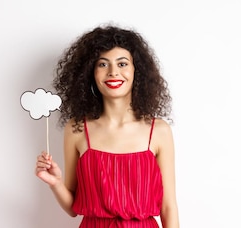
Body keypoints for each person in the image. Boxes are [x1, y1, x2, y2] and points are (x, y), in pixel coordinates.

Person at [35, 23, 180, 228]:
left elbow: (169, 208)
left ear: (136, 70)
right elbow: (73, 209)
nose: (113, 72)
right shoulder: (76, 129)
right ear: (90, 73)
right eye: (103, 64)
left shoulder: (159, 131)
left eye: (122, 64)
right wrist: (55, 183)